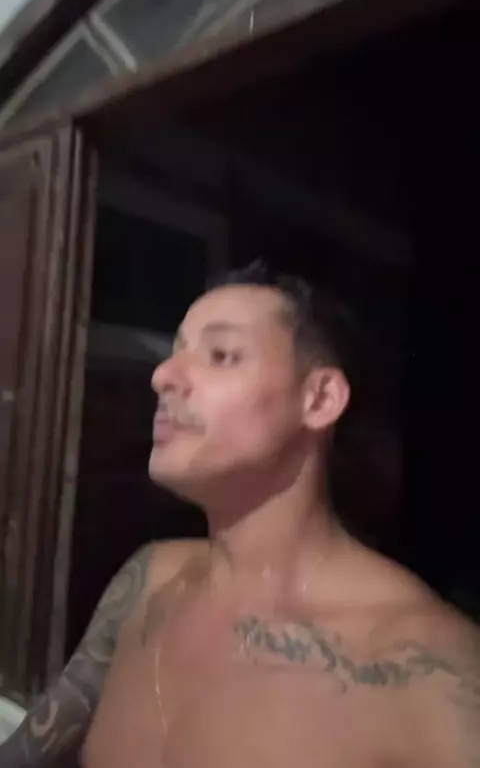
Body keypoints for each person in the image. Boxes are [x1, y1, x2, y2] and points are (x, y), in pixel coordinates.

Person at [1, 262, 478, 768]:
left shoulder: (431, 668)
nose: (162, 376)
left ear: (319, 399)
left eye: (221, 355)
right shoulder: (148, 579)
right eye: (175, 351)